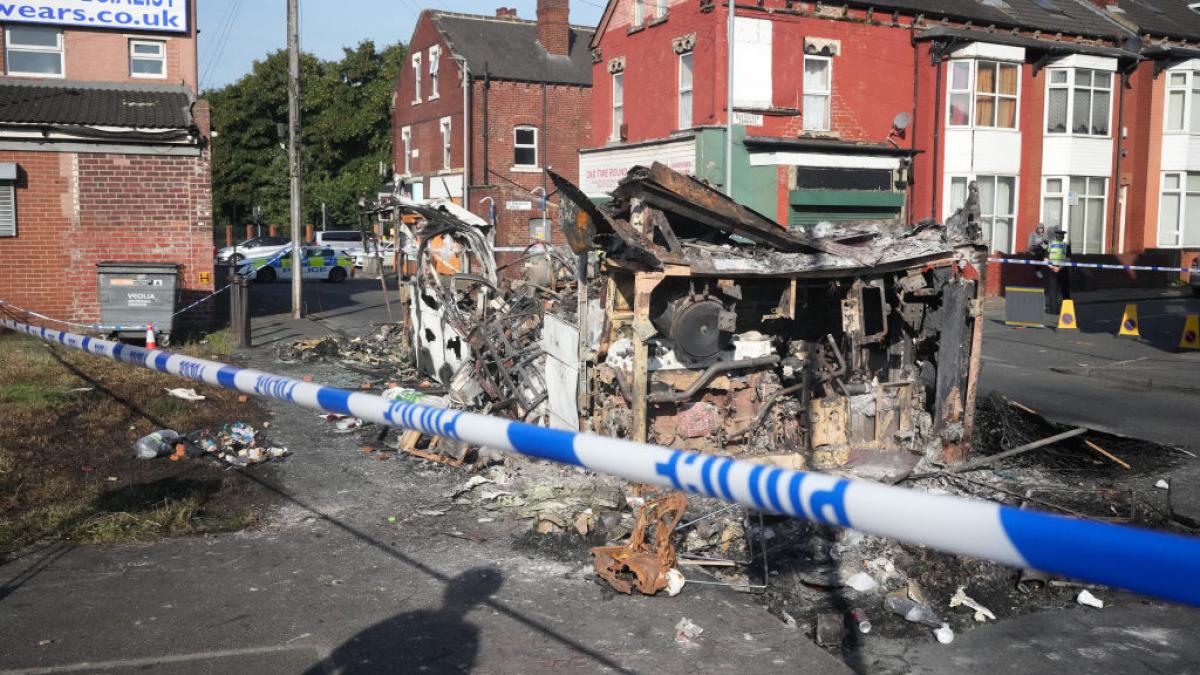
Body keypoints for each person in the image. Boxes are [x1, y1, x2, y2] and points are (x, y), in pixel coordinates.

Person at [1044, 229, 1072, 313]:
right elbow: (1068, 259)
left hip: (1052, 270)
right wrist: (1059, 268)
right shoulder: (1066, 245)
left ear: (1056, 237)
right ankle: (1067, 310)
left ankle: (1053, 309)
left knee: (1053, 290)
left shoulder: (1050, 245)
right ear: (1063, 237)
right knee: (1065, 290)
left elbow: (1045, 260)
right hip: (1063, 269)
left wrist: (1052, 267)